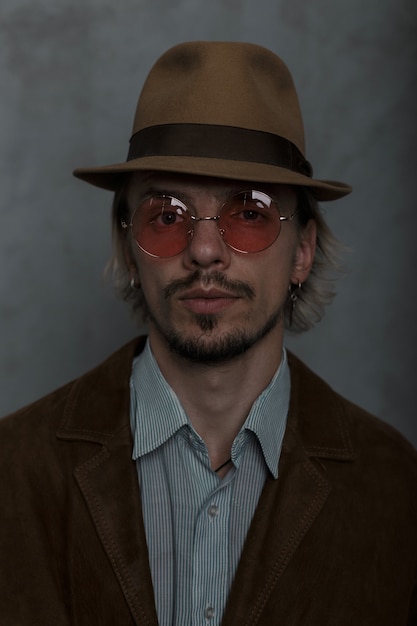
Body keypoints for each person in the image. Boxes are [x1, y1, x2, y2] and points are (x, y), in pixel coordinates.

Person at [0, 41, 416, 626]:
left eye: (249, 213)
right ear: (129, 245)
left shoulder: (396, 487)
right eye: (167, 216)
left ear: (302, 251)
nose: (203, 251)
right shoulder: (12, 470)